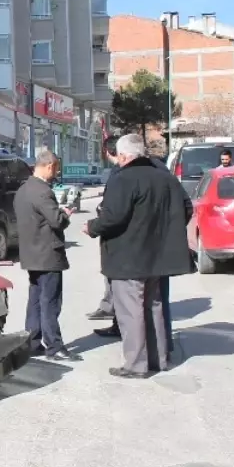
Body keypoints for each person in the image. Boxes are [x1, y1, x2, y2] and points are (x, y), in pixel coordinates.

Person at [83, 134, 193, 378]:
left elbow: (113, 217)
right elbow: (186, 208)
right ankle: (159, 359)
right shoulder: (165, 177)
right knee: (153, 307)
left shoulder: (124, 179)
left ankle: (136, 364)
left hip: (128, 257)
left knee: (131, 311)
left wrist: (92, 227)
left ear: (123, 156)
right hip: (158, 256)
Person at [15, 147, 78, 362]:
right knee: (50, 301)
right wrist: (66, 214)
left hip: (31, 253)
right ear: (49, 166)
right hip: (48, 254)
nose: (56, 174)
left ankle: (32, 342)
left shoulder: (23, 190)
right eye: (56, 169)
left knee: (35, 299)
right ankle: (55, 346)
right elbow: (56, 221)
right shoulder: (42, 191)